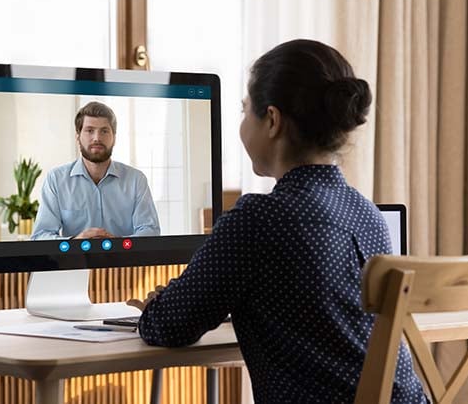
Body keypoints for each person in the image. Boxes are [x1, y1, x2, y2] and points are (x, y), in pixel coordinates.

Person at [128, 40, 428, 403]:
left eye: (244, 111)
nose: (241, 125)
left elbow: (170, 324)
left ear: (272, 120)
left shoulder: (258, 219)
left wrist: (157, 306)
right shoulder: (367, 214)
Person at [31, 101, 160, 240]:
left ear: (114, 138)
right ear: (78, 136)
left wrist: (118, 244)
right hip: (74, 261)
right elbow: (41, 235)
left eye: (104, 131)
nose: (97, 138)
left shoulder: (136, 180)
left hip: (123, 261)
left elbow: (150, 231)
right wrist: (75, 242)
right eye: (89, 130)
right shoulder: (56, 179)